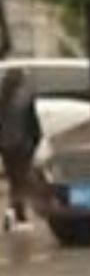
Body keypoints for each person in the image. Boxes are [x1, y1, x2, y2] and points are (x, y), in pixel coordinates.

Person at [0, 68, 42, 232]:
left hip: (5, 146)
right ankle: (14, 213)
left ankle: (18, 214)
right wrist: (36, 140)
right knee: (22, 182)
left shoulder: (3, 98)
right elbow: (33, 123)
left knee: (14, 180)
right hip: (23, 145)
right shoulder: (25, 99)